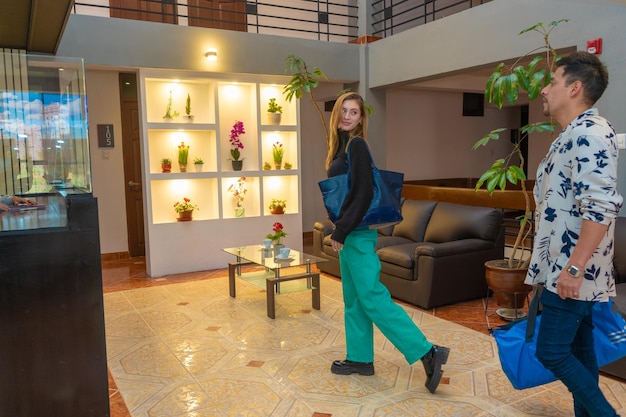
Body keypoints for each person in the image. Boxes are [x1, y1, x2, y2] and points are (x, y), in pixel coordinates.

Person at [324, 92, 450, 393]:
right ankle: (360, 359)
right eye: (344, 111)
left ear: (361, 119)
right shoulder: (341, 147)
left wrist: (340, 232)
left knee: (373, 298)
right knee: (354, 300)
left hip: (357, 235)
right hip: (351, 233)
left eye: (354, 112)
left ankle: (427, 351)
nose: (347, 116)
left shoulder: (357, 145)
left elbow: (364, 194)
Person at [525, 51, 623, 417]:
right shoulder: (572, 134)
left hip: (573, 272)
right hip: (564, 270)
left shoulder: (591, 134)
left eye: (552, 81)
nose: (545, 90)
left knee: (550, 350)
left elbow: (600, 208)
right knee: (581, 353)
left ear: (575, 87)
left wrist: (574, 269)